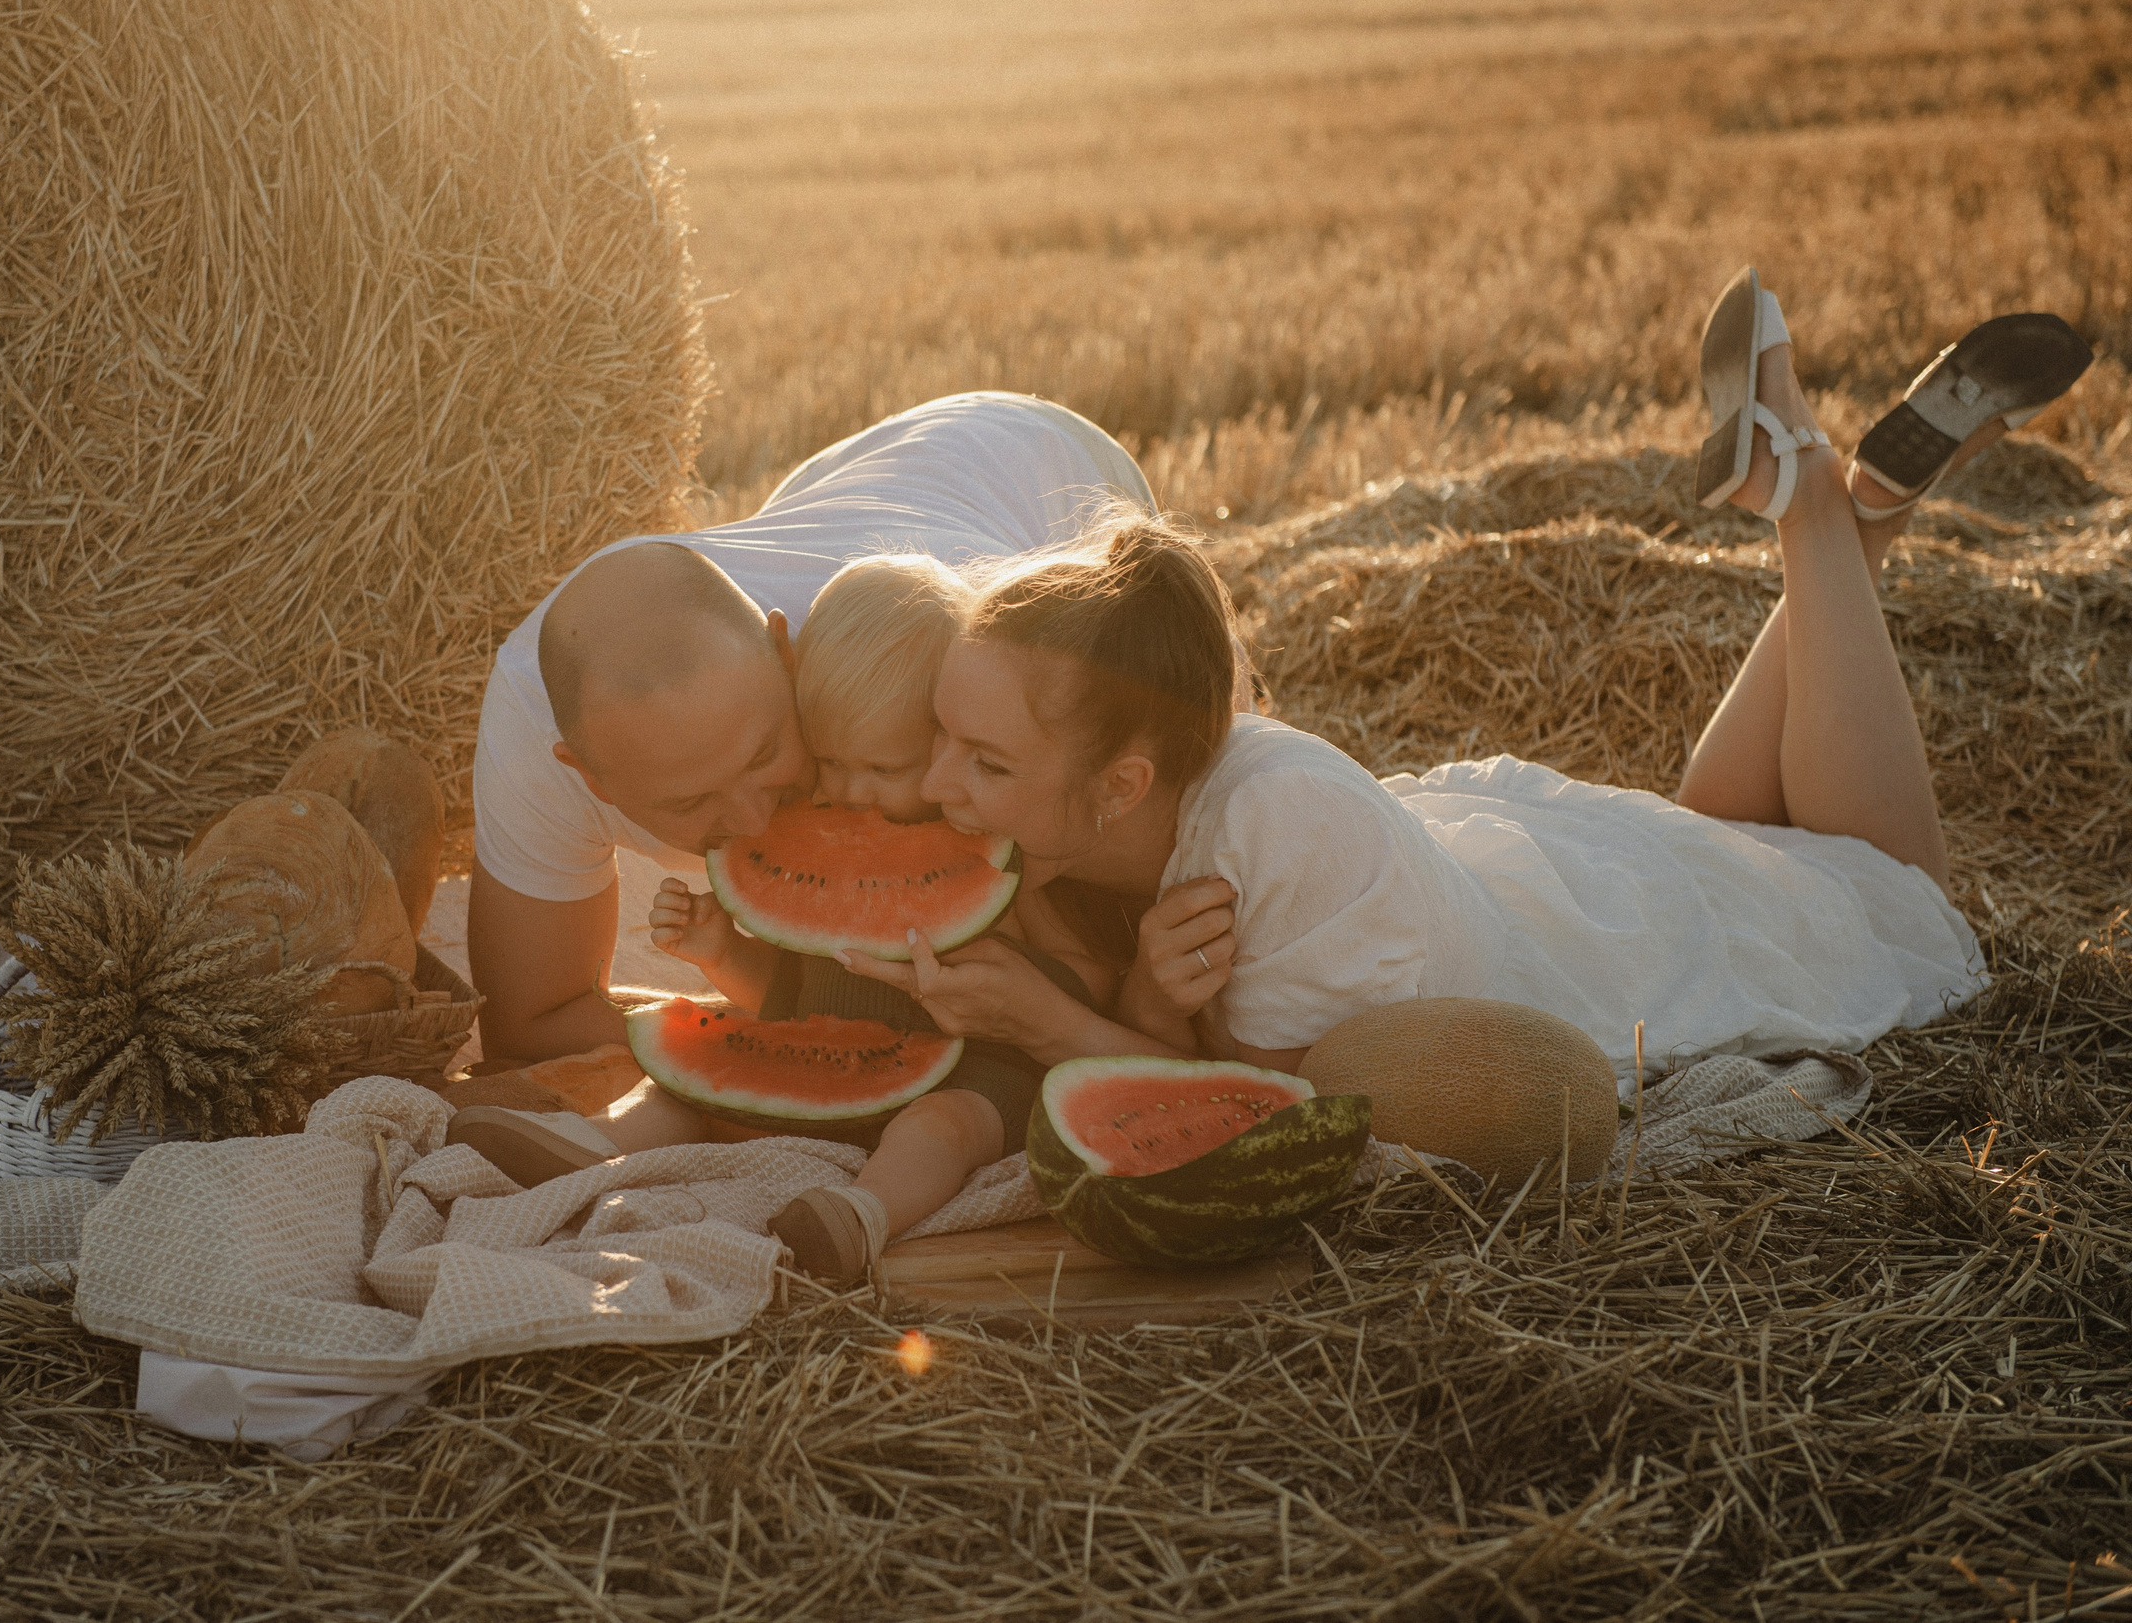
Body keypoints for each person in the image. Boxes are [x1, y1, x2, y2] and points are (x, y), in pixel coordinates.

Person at [837, 274, 2089, 1089]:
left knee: (1898, 902)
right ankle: (1855, 521)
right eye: (947, 737)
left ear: (1120, 781)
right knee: (1739, 843)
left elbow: (1280, 1115)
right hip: (1576, 890)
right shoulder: (1121, 801)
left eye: (985, 762)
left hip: (1584, 972)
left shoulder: (1273, 828)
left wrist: (1054, 1020)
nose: (938, 785)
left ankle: (1819, 509)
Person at [454, 554, 1113, 1281]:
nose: (758, 815)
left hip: (971, 1067)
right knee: (689, 1078)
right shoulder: (801, 789)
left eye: (769, 753)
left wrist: (1029, 1000)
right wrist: (718, 952)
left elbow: (1095, 973)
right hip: (819, 1051)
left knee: (942, 1128)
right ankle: (590, 1139)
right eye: (831, 765)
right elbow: (780, 989)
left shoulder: (985, 828)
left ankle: (861, 1215)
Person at [465, 392, 1155, 1069]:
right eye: (689, 803)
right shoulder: (532, 726)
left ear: (784, 647)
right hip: (841, 493)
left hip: (1053, 471)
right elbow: (530, 1023)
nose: (754, 813)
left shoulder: (951, 663)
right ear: (585, 773)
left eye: (765, 753)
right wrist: (787, 1041)